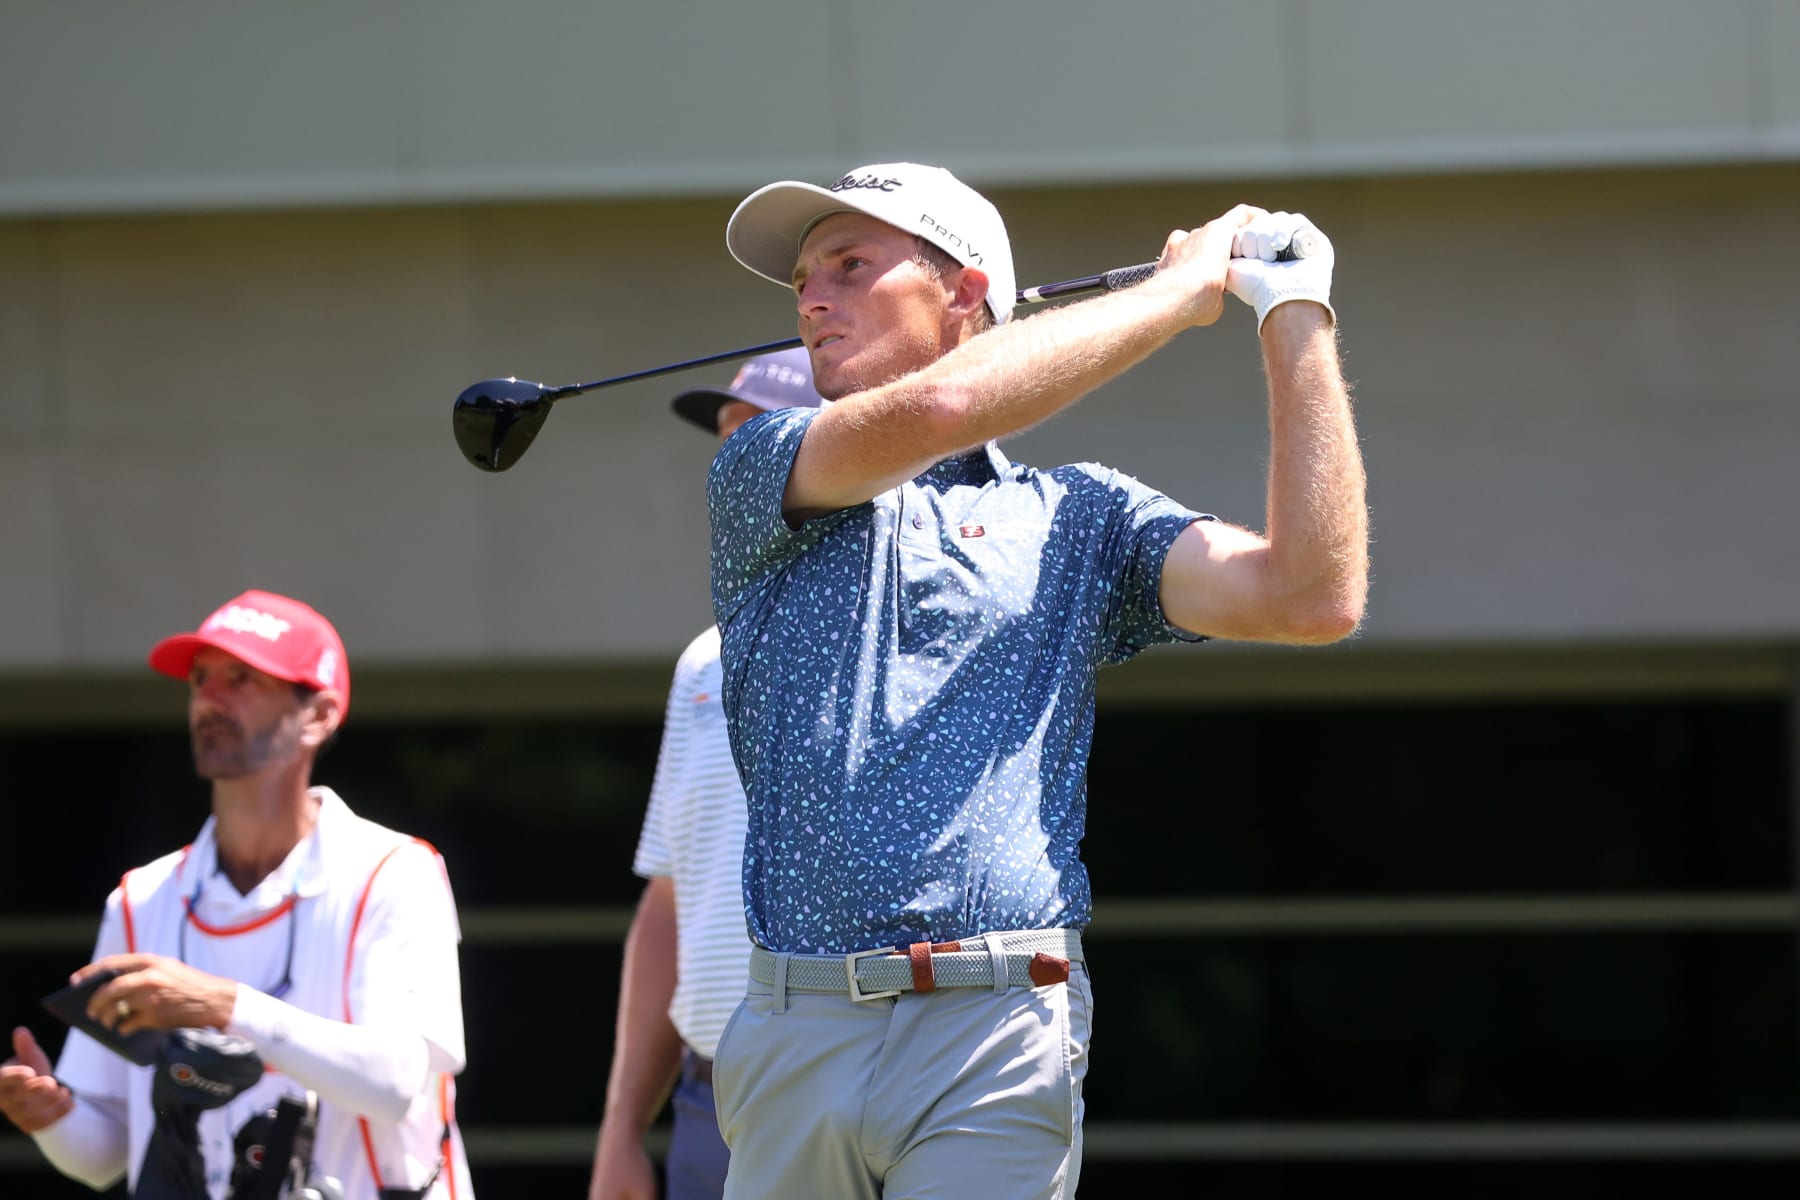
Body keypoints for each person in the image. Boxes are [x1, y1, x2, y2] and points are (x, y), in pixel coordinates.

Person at [704, 162, 1369, 1198]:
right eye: (802, 280)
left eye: (849, 265)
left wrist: (1293, 316)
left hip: (999, 1024)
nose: (812, 300)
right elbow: (950, 402)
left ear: (965, 291)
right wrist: (1173, 295)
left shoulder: (1080, 517)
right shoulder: (766, 466)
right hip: (798, 1028)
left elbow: (1307, 596)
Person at [0, 589, 475, 1199]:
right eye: (200, 680)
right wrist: (52, 1119)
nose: (209, 699)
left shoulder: (394, 872)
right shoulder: (141, 899)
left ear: (319, 714)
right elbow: (107, 1156)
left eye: (242, 679)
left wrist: (222, 1005)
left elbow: (394, 1084)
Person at [587, 347, 824, 1200]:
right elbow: (668, 903)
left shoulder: (893, 631)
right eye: (725, 443)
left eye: (757, 439)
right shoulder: (702, 661)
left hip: (842, 1081)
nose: (731, 467)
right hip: (707, 1099)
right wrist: (620, 1131)